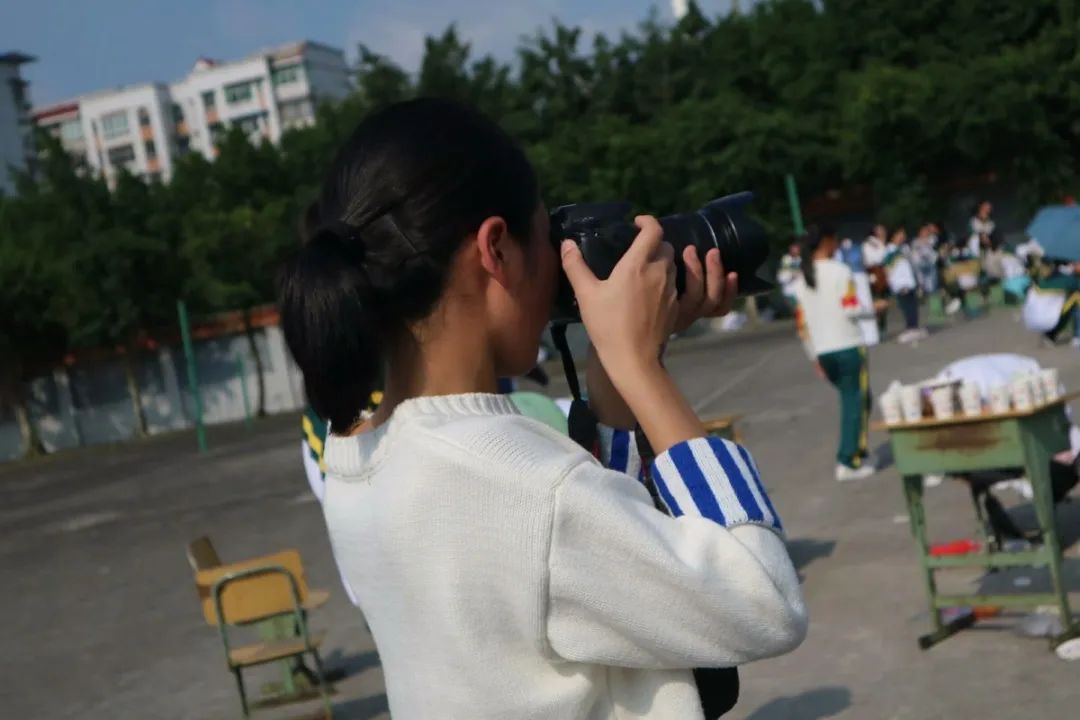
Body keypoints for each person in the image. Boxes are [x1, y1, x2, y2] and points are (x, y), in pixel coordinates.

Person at [278, 98, 806, 719]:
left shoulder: (356, 462)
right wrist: (639, 367)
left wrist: (619, 365)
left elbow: (591, 560)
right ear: (495, 249)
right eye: (545, 233)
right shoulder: (528, 489)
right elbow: (764, 601)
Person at [793, 225, 881, 482]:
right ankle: (848, 460)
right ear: (828, 242)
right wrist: (874, 308)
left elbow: (802, 326)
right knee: (855, 402)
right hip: (848, 346)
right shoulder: (840, 272)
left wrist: (814, 357)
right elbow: (851, 308)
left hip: (824, 351)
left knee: (857, 399)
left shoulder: (802, 280)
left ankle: (859, 452)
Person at [884, 228, 926, 343]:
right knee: (907, 307)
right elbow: (890, 271)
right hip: (900, 284)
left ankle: (914, 327)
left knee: (913, 306)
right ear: (893, 236)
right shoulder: (889, 251)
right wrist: (896, 285)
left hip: (910, 282)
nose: (903, 236)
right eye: (900, 234)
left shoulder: (904, 249)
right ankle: (910, 328)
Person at [1024, 261, 1080, 347]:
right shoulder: (1069, 279)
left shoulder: (1058, 276)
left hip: (1039, 314)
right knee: (1074, 304)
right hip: (1051, 314)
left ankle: (1051, 335)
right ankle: (1076, 335)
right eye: (1076, 263)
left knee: (1071, 305)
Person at [862, 224, 889, 333]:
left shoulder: (880, 243)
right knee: (877, 300)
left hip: (881, 274)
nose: (883, 232)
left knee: (883, 299)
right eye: (880, 230)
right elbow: (878, 258)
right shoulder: (871, 243)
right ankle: (878, 326)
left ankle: (881, 325)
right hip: (875, 273)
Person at [912, 225, 939, 295]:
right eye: (923, 231)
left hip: (930, 265)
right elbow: (915, 253)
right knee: (923, 284)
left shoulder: (932, 239)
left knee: (933, 284)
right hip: (920, 267)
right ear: (919, 232)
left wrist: (932, 230)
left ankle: (934, 297)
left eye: (926, 231)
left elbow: (933, 240)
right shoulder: (915, 241)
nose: (925, 233)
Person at [777, 241, 802, 312]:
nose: (795, 251)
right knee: (799, 312)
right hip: (790, 292)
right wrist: (791, 277)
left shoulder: (801, 260)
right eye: (793, 249)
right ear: (790, 249)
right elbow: (780, 278)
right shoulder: (786, 260)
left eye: (797, 249)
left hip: (800, 292)